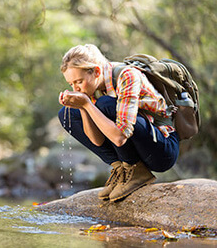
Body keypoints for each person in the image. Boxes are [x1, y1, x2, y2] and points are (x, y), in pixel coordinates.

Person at [58, 44, 179, 202]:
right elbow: (97, 141)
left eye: (79, 81)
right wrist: (82, 107)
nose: (76, 88)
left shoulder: (127, 75)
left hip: (162, 150)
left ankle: (135, 169)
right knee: (67, 114)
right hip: (137, 144)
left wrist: (88, 104)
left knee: (105, 104)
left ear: (96, 72)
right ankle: (121, 169)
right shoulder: (94, 87)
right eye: (71, 84)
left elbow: (119, 138)